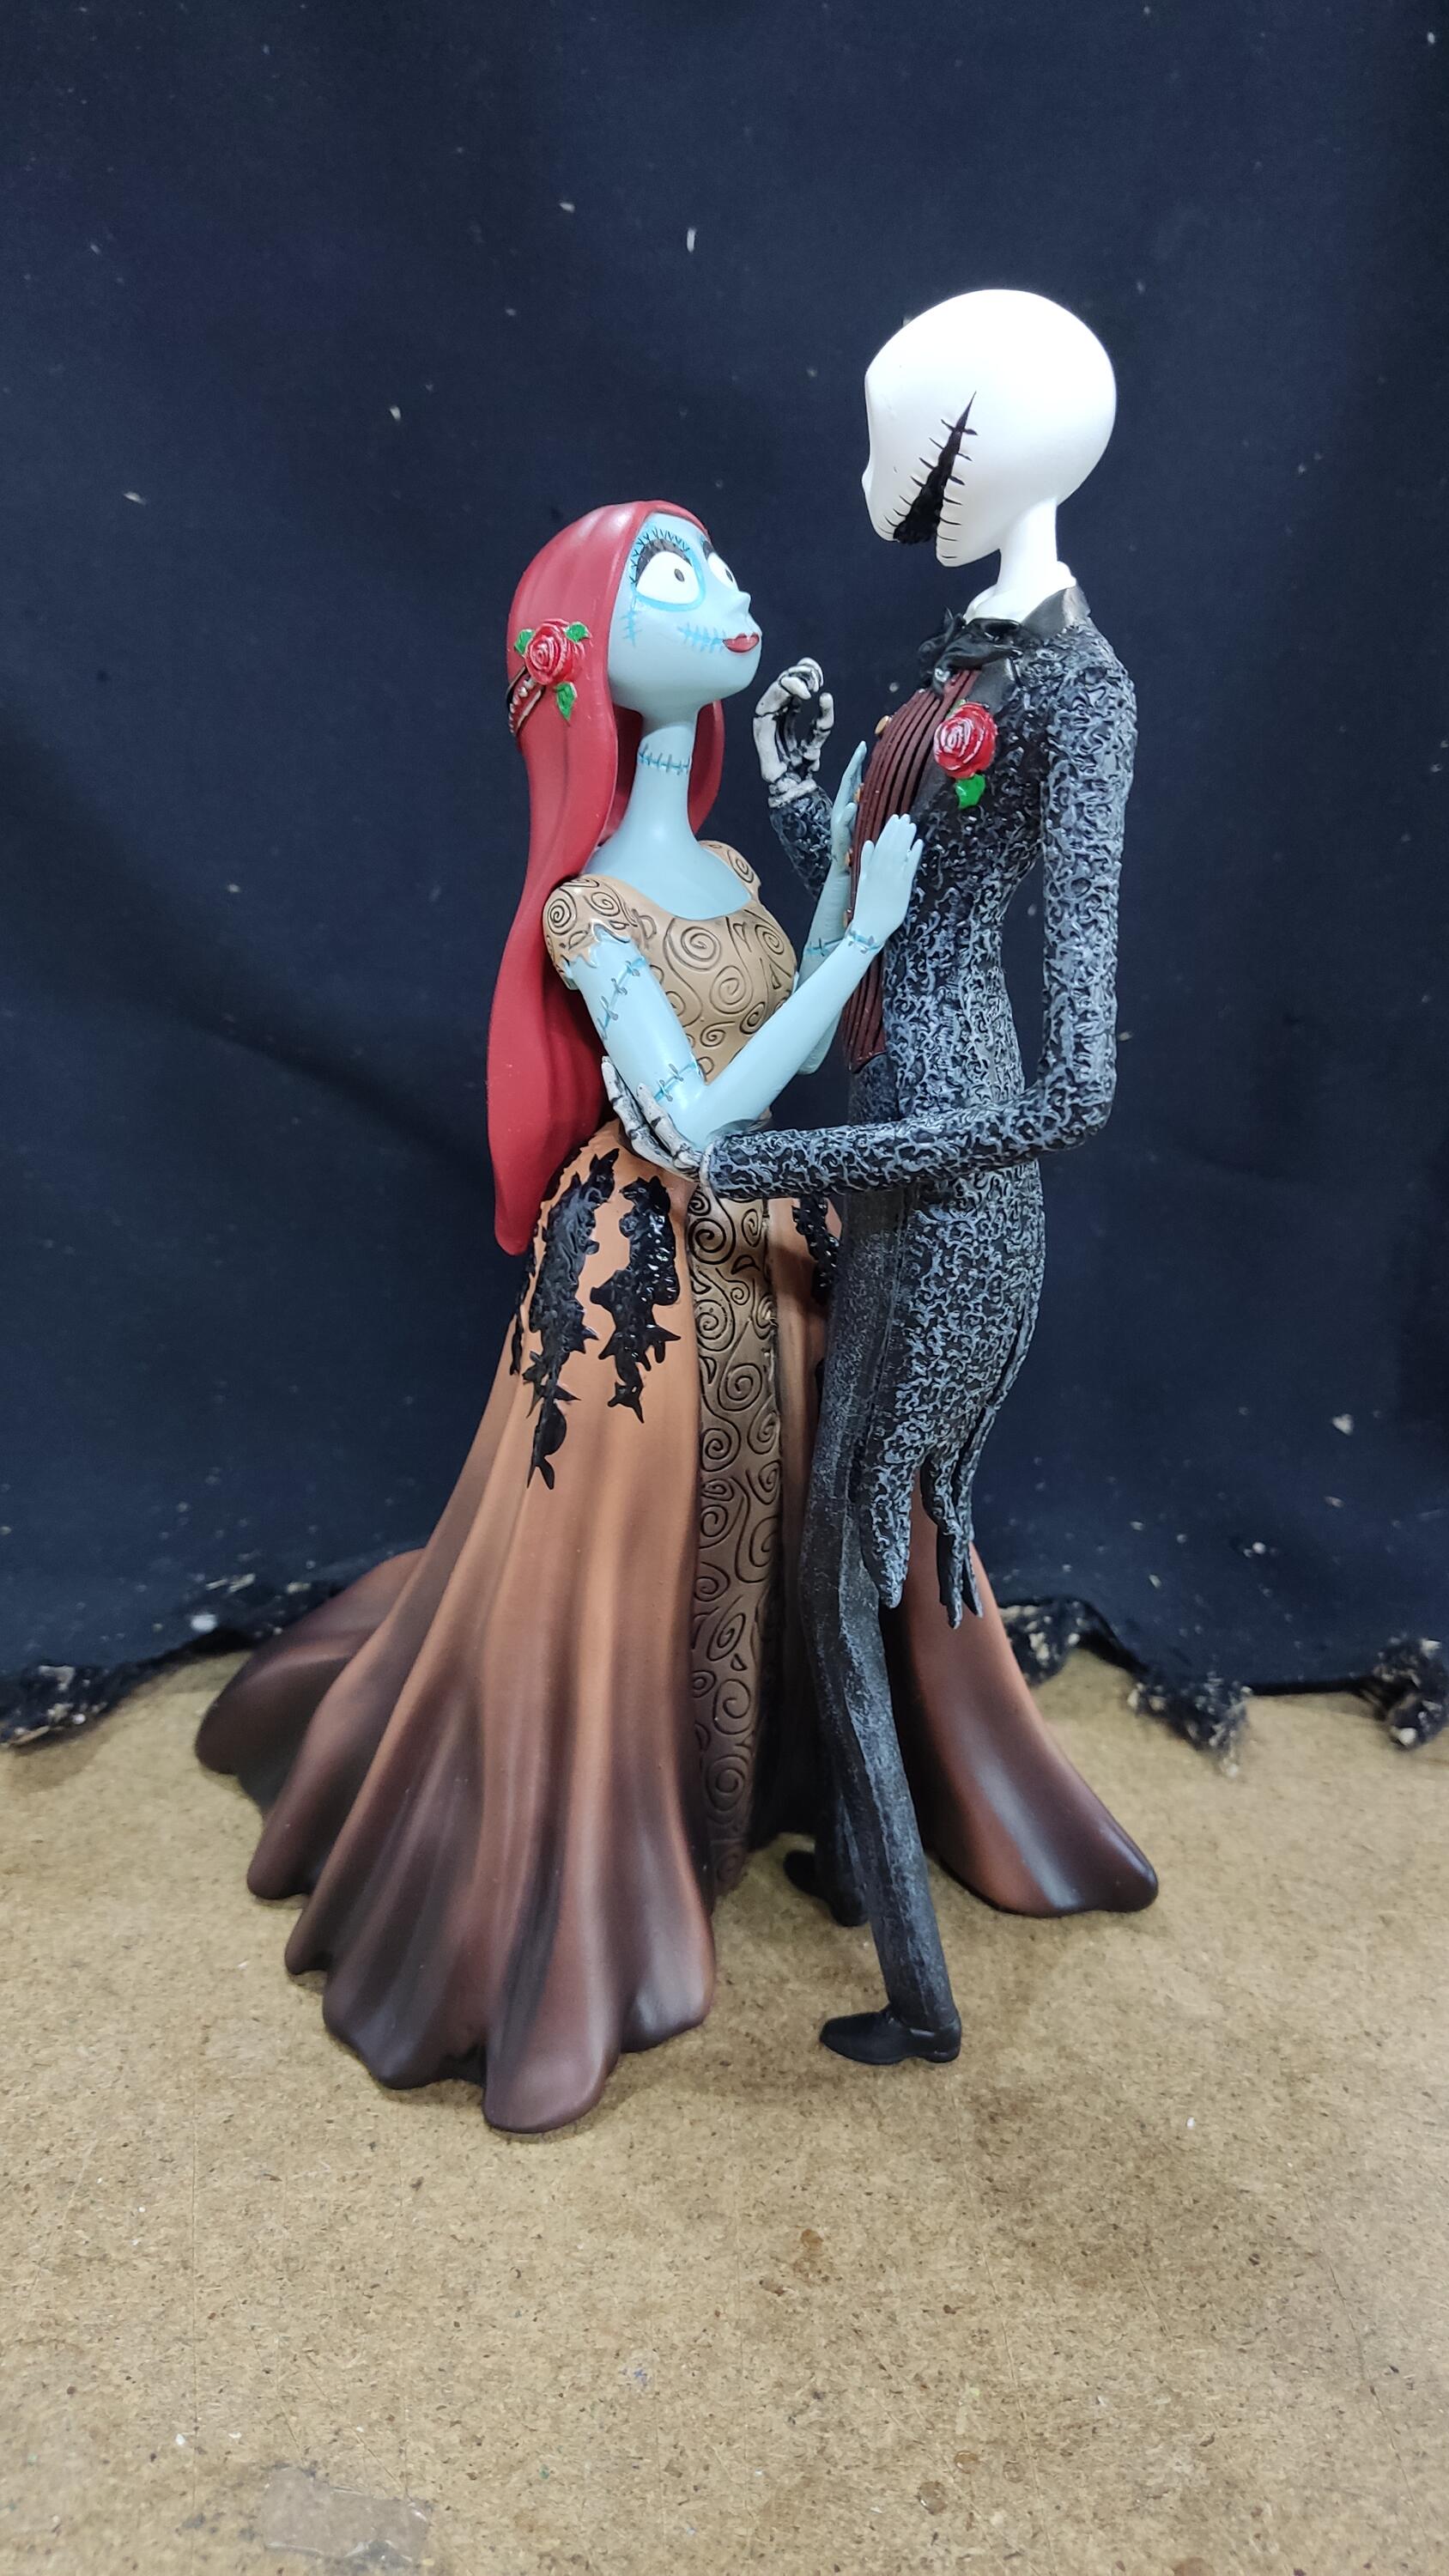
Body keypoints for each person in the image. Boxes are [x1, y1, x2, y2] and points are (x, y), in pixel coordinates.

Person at [197, 499, 918, 2134]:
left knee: (795, 1522)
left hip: (779, 1256)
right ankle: (614, 1848)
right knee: (618, 1570)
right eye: (675, 573)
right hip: (647, 1273)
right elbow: (693, 1122)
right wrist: (862, 933)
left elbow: (806, 1037)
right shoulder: (587, 912)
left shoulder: (728, 867)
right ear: (586, 649)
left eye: (719, 562)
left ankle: (784, 1788)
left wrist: (846, 900)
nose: (726, 587)